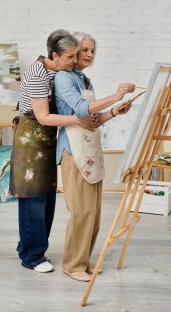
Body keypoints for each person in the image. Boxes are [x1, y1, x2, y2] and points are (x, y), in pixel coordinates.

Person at [9, 29, 98, 274]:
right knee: (33, 198)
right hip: (31, 140)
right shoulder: (38, 73)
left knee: (46, 198)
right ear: (54, 55)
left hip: (47, 139)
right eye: (70, 56)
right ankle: (32, 256)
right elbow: (43, 116)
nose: (74, 61)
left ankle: (28, 246)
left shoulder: (57, 71)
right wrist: (78, 120)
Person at [54, 32, 135, 282]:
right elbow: (80, 109)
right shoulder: (63, 78)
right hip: (73, 150)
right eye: (85, 50)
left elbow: (94, 120)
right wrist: (116, 95)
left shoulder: (86, 80)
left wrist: (114, 111)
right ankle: (72, 264)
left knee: (94, 212)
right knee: (81, 211)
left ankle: (84, 260)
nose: (89, 54)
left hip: (90, 149)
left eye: (93, 50)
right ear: (74, 51)